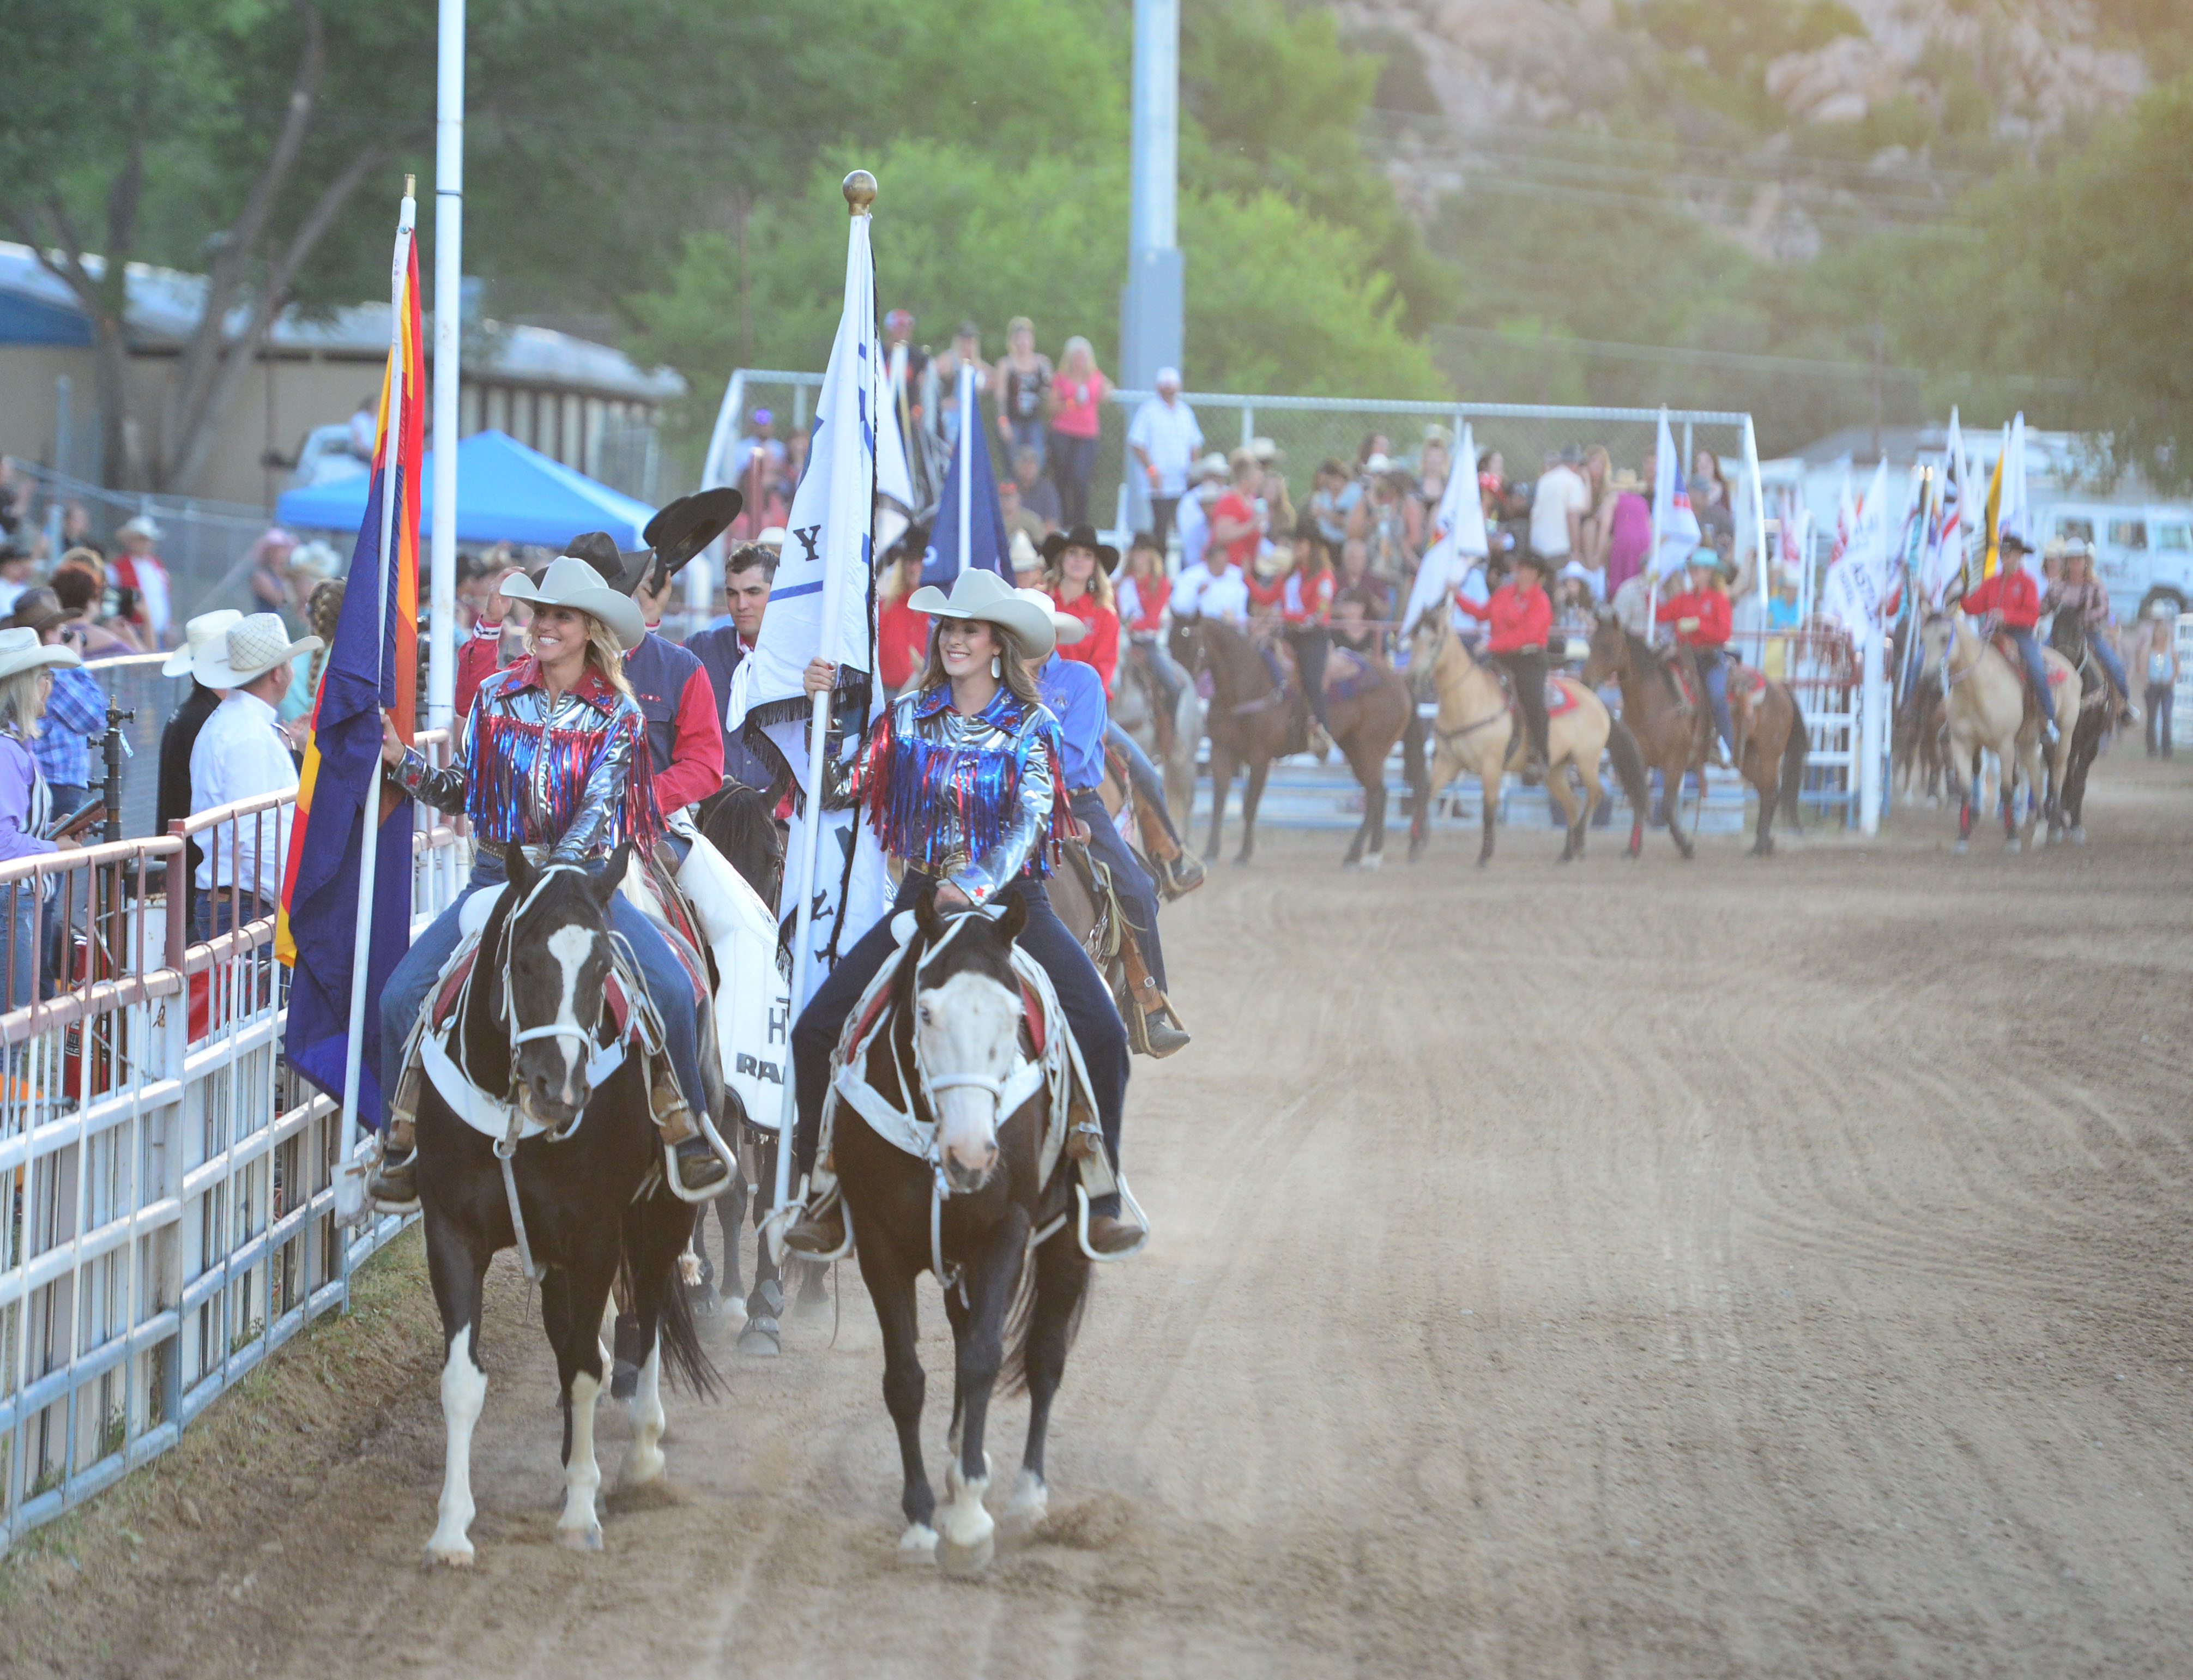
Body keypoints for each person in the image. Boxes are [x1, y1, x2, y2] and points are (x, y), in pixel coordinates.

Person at [781, 569, 1139, 1256]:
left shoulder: (1034, 726)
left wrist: (971, 887)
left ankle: (1101, 1190)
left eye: (970, 629)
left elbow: (1033, 821)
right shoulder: (908, 716)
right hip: (922, 903)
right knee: (814, 1031)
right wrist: (820, 713)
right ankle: (820, 1188)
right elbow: (840, 788)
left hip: (1014, 907)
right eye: (949, 627)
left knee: (1101, 1030)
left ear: (998, 643)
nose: (955, 639)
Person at [370, 555, 729, 1206]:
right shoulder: (493, 695)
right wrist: (405, 763)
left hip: (585, 884)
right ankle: (405, 1140)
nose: (542, 626)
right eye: (538, 614)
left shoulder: (618, 714)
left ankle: (689, 1128)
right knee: (398, 998)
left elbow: (599, 807)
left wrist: (556, 880)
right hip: (497, 878)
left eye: (559, 616)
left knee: (677, 990)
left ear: (589, 628)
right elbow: (465, 794)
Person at [1023, 591, 1188, 1057]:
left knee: (1136, 888)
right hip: (1007, 802)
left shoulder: (1079, 680)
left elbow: (1074, 758)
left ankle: (1148, 1006)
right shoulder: (996, 682)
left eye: (1033, 629)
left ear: (1052, 635)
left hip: (1073, 803)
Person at [188, 614, 321, 940]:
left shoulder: (236, 724)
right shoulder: (248, 734)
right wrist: (287, 902)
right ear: (278, 672)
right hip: (249, 904)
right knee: (257, 991)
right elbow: (255, 835)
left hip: (241, 899)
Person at [0, 628, 89, 1006]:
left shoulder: (14, 746)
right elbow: (4, 844)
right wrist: (53, 845)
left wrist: (49, 837)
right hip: (10, 898)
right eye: (45, 677)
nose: (50, 686)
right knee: (14, 1023)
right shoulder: (8, 751)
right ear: (25, 685)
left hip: (15, 897)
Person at [618, 538, 728, 824]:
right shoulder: (553, 661)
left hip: (654, 820)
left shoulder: (681, 667)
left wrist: (642, 800)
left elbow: (704, 764)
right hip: (556, 819)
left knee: (715, 869)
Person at [685, 542, 782, 790]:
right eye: (732, 593)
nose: (741, 605)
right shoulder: (702, 650)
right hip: (711, 812)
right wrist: (650, 617)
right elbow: (648, 672)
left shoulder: (802, 659)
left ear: (778, 592)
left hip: (783, 820)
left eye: (753, 592)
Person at [1455, 550, 1554, 782]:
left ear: (1537, 575)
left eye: (1530, 570)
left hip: (1528, 660)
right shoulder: (1504, 593)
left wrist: (1491, 643)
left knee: (1533, 700)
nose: (1524, 574)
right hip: (1501, 657)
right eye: (1522, 568)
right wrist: (1457, 596)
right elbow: (1482, 613)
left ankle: (1539, 754)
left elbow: (1526, 635)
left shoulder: (1540, 601)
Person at [11, 590, 105, 819]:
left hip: (48, 782)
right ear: (49, 633)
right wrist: (77, 662)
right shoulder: (51, 674)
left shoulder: (31, 669)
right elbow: (93, 716)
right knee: (60, 851)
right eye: (62, 630)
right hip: (56, 784)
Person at [1960, 530, 2057, 744]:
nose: (2005, 556)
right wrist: (1962, 584)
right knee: (1965, 662)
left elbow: (2032, 616)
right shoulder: (1991, 583)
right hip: (1992, 635)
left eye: (2010, 553)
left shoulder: (2028, 583)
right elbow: (1971, 607)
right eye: (2003, 552)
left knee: (2037, 669)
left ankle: (2048, 721)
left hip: (2021, 636)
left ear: (2019, 555)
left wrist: (2007, 616)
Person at [1657, 547, 1738, 765]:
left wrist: (1699, 625)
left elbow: (1724, 633)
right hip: (1685, 659)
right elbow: (1661, 614)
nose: (1693, 573)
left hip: (1710, 658)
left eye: (1698, 570)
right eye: (1692, 569)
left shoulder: (1719, 600)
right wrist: (1651, 589)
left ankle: (1726, 744)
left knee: (1716, 694)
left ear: (1710, 573)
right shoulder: (1683, 599)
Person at [2043, 537, 2137, 726]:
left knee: (2116, 667)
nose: (2075, 563)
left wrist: (2083, 619)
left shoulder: (2095, 585)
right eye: (2071, 560)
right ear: (2067, 562)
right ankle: (2037, 706)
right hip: (2060, 636)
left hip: (2089, 636)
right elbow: (2044, 605)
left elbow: (2104, 609)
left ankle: (2124, 706)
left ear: (2085, 561)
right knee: (2038, 659)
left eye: (2079, 559)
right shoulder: (2057, 586)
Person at [1126, 366, 1203, 551]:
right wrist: (1152, 471)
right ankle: (1161, 569)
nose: (1169, 391)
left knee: (1186, 524)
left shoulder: (1185, 412)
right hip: (1158, 483)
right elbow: (1137, 444)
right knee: (1161, 526)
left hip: (1182, 480)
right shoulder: (1148, 411)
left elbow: (1195, 444)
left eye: (1172, 386)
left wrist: (1193, 471)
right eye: (1165, 386)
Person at [1044, 525, 1122, 694]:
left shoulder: (1105, 616)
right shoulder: (1040, 600)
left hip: (1082, 701)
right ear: (1062, 559)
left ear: (1094, 566)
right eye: (1073, 552)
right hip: (1034, 695)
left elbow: (1101, 672)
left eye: (1087, 555)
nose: (1079, 560)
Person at [1045, 338, 1109, 531]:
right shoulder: (1061, 378)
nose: (1080, 360)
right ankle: (1063, 522)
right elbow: (1051, 406)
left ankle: (1080, 524)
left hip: (1087, 435)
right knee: (1062, 478)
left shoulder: (1096, 377)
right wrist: (1072, 403)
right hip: (1062, 433)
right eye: (1076, 355)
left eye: (1084, 355)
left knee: (1081, 478)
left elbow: (1106, 391)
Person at [1283, 525, 1337, 739]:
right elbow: (1267, 597)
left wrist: (1287, 617)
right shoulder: (1291, 576)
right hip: (1289, 633)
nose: (1295, 547)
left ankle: (1324, 729)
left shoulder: (1324, 578)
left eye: (1301, 543)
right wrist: (1247, 577)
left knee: (1312, 680)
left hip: (1312, 637)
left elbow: (1319, 615)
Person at [51, 557, 141, 658]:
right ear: (91, 599)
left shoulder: (50, 637)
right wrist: (131, 637)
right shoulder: (104, 639)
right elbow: (143, 667)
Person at [994, 316, 1053, 466]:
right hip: (1014, 422)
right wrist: (1003, 422)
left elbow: (1049, 391)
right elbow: (1001, 396)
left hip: (1035, 422)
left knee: (1037, 461)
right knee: (1014, 463)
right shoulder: (1006, 364)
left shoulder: (1042, 363)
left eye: (1026, 338)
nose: (1023, 343)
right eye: (1019, 338)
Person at [108, 516, 174, 648]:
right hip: (133, 633)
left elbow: (162, 598)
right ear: (130, 541)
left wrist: (168, 625)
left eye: (149, 540)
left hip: (159, 633)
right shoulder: (116, 569)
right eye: (142, 539)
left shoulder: (157, 566)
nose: (147, 544)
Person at [875, 541, 930, 698]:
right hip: (888, 695)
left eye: (921, 562)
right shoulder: (883, 608)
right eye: (910, 562)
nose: (914, 568)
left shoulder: (940, 611)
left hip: (927, 695)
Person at [1529, 446, 1590, 575]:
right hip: (1559, 550)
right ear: (1576, 464)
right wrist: (1576, 553)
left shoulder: (1545, 479)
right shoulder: (1574, 481)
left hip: (1536, 545)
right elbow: (1573, 517)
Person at [1603, 467, 1652, 597]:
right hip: (1644, 541)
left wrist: (1599, 549)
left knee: (1620, 576)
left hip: (1624, 538)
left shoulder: (1614, 498)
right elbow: (1649, 525)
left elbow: (1605, 525)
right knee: (1637, 574)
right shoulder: (1642, 501)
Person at [1115, 530, 1170, 637]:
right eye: (1136, 550)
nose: (1140, 554)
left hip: (1147, 639)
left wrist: (1130, 626)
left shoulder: (1161, 583)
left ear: (1152, 555)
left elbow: (1153, 621)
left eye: (1144, 550)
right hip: (1120, 635)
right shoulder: (1121, 581)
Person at [2144, 613, 2177, 758]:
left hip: (2166, 686)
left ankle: (2166, 748)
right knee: (2151, 717)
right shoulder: (2149, 649)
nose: (2160, 637)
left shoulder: (2170, 649)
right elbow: (2143, 664)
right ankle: (2152, 748)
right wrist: (2145, 680)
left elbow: (2177, 664)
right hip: (2153, 685)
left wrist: (2173, 678)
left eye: (2162, 634)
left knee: (2166, 716)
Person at [1011, 445, 1062, 533]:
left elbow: (1052, 522)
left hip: (1039, 539)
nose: (1028, 468)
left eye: (1032, 464)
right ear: (1016, 467)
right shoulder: (1009, 488)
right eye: (1024, 463)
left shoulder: (1047, 489)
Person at [998, 476, 1046, 553]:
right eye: (1003, 496)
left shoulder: (1032, 520)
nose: (1007, 500)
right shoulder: (992, 521)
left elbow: (1040, 547)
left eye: (1011, 496)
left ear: (1019, 497)